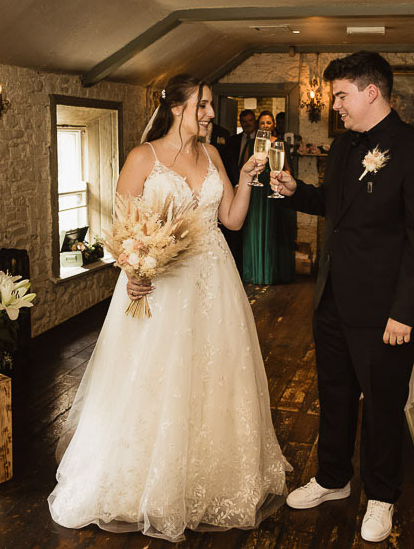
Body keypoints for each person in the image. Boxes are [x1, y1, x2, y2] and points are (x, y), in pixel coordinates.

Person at [48, 74, 290, 543]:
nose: (211, 113)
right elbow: (120, 225)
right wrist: (133, 269)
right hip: (161, 284)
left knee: (215, 375)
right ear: (177, 107)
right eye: (203, 105)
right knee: (155, 376)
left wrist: (244, 179)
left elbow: (231, 220)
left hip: (216, 281)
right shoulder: (144, 157)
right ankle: (142, 479)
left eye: (210, 105)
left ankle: (210, 476)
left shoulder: (213, 154)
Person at [270, 51, 414, 543]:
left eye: (342, 96)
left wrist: (403, 312)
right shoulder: (344, 146)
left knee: (383, 406)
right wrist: (296, 190)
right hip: (332, 298)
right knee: (335, 395)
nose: (336, 106)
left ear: (372, 92)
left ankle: (382, 495)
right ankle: (333, 478)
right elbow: (336, 207)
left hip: (386, 310)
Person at [242, 110, 295, 285]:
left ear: (273, 125)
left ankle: (269, 273)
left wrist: (281, 179)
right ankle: (254, 272)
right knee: (255, 228)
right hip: (256, 192)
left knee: (272, 230)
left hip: (273, 188)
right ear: (259, 125)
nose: (265, 125)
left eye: (268, 122)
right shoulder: (252, 143)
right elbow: (244, 167)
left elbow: (288, 169)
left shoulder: (280, 144)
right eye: (262, 123)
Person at [219, 109, 258, 273]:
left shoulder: (262, 141)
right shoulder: (232, 141)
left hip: (257, 190)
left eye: (250, 120)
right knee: (237, 235)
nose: (247, 124)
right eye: (244, 121)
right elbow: (228, 165)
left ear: (254, 121)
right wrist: (235, 184)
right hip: (233, 189)